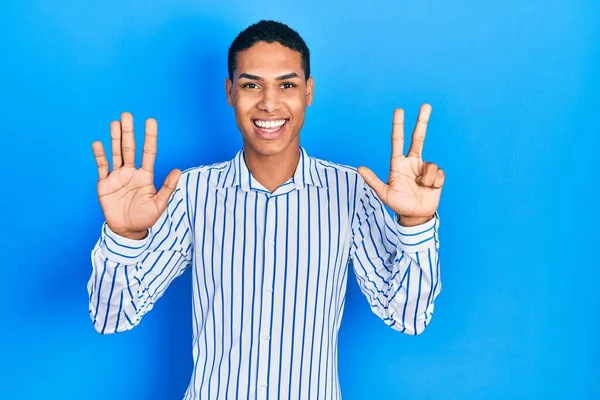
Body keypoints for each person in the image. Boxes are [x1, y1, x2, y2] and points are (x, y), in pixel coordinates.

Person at [88, 20, 444, 400]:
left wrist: (416, 224)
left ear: (309, 91)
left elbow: (407, 317)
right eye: (251, 85)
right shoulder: (192, 193)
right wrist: (125, 237)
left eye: (287, 85)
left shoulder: (351, 192)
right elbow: (113, 317)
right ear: (230, 92)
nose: (269, 103)